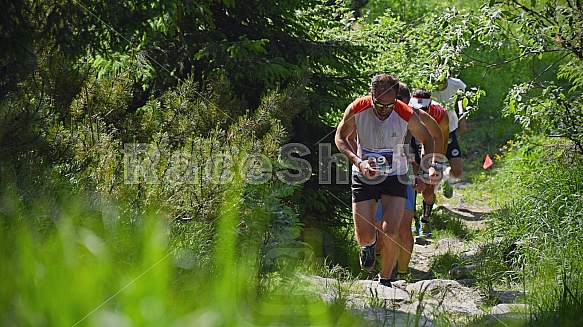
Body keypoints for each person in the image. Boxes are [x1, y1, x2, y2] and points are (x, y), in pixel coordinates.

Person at [335, 74, 441, 287]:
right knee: (365, 236)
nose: (384, 110)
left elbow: (428, 138)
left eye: (389, 105)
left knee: (391, 230)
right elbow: (340, 137)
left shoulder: (405, 113)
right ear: (371, 95)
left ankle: (385, 279)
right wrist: (359, 162)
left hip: (396, 175)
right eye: (379, 105)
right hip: (365, 174)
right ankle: (367, 247)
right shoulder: (357, 108)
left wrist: (423, 171)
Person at [409, 88, 450, 237]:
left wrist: (437, 164)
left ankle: (425, 220)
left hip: (433, 144)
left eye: (425, 109)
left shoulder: (440, 114)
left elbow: (442, 139)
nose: (422, 114)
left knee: (427, 189)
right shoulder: (405, 108)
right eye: (417, 109)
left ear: (430, 105)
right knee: (410, 182)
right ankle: (412, 219)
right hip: (413, 143)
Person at [433, 75, 467, 182]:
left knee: (457, 172)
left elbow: (461, 98)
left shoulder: (457, 84)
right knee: (435, 173)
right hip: (433, 132)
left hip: (450, 130)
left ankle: (447, 174)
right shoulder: (429, 86)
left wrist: (462, 116)